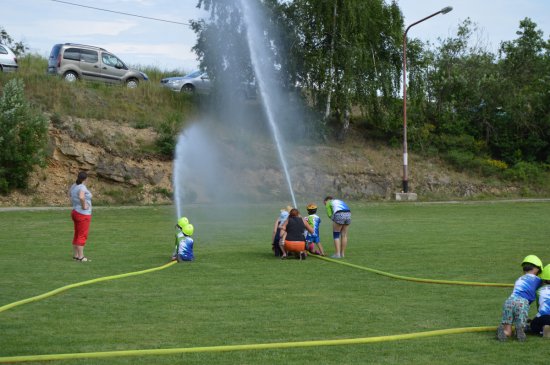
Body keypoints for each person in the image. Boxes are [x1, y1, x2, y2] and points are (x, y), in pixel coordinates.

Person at [497, 255, 543, 342]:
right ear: (537, 269)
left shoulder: (519, 279)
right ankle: (520, 329)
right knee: (520, 323)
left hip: (509, 301)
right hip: (522, 302)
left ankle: (505, 332)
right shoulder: (538, 280)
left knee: (508, 329)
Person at [69, 171, 93, 262]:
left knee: (77, 234)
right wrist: (83, 206)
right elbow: (82, 197)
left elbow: (69, 194)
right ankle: (81, 257)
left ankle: (76, 255)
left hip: (75, 212)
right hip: (83, 214)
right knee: (82, 235)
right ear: (86, 179)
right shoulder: (82, 187)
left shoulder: (74, 185)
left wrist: (76, 203)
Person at [529, 264, 550, 338]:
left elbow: (539, 308)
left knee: (533, 325)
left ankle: (543, 329)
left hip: (544, 317)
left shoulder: (539, 290)